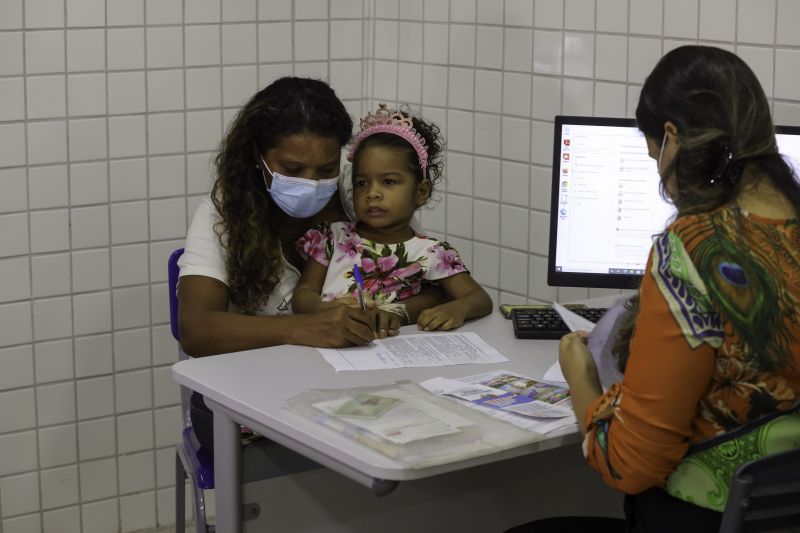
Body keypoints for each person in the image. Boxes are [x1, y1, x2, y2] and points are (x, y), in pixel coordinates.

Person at [507, 45, 800, 532]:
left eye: (653, 158)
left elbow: (629, 464)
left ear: (672, 139)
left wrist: (582, 379)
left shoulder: (693, 249)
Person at [177, 78, 443, 453]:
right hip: (247, 398)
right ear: (258, 156)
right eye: (293, 168)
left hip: (351, 389)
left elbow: (430, 284)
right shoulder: (222, 216)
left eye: (326, 169)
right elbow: (197, 329)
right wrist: (305, 327)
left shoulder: (363, 200)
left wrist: (393, 311)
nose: (311, 183)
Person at [293, 104, 493, 334]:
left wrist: (456, 309)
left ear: (421, 192)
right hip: (326, 348)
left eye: (388, 182)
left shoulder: (431, 252)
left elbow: (480, 298)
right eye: (362, 183)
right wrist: (321, 308)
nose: (372, 193)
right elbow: (303, 294)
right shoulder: (332, 237)